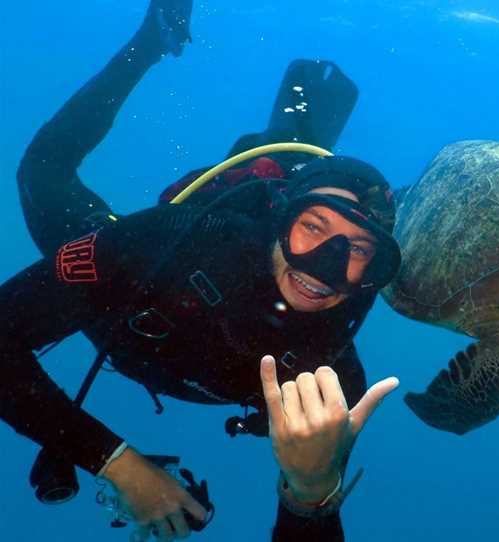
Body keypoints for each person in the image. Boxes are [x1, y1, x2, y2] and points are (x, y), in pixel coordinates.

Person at [2, 1, 401, 540]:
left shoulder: (327, 376)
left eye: (355, 248)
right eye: (313, 226)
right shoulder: (159, 247)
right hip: (123, 298)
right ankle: (151, 42)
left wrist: (313, 490)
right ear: (276, 223)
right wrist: (118, 464)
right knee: (41, 169)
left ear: (374, 270)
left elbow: (313, 505)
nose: (323, 268)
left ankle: (301, 164)